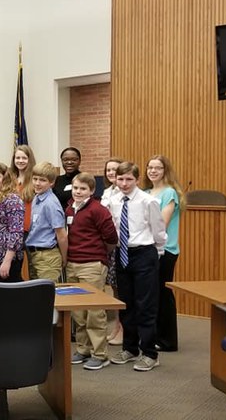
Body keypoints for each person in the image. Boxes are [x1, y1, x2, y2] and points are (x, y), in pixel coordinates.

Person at [107, 162, 167, 372]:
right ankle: (130, 349)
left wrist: (157, 252)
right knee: (127, 303)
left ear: (137, 180)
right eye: (120, 179)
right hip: (123, 254)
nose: (124, 184)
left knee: (145, 305)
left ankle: (150, 353)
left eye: (129, 180)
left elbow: (158, 229)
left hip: (144, 253)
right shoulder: (113, 201)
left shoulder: (148, 201)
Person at [65, 172, 119, 370]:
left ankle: (100, 353)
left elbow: (111, 237)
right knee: (78, 313)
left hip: (92, 265)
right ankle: (83, 349)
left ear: (92, 191)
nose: (78, 192)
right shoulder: (70, 208)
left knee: (94, 311)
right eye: (76, 188)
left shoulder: (98, 209)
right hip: (72, 264)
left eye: (83, 189)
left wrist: (99, 254)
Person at [142, 155, 185, 352]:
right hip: (147, 248)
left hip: (165, 250)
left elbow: (162, 223)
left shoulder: (169, 193)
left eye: (157, 168)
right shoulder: (146, 192)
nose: (153, 171)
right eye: (150, 167)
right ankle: (156, 336)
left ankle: (169, 340)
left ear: (165, 171)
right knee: (153, 295)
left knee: (163, 294)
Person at [24, 162, 67, 282]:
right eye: (35, 179)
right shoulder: (37, 198)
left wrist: (64, 258)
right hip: (34, 254)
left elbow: (61, 234)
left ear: (51, 183)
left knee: (49, 294)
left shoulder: (51, 203)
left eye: (42, 180)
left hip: (48, 256)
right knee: (36, 294)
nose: (37, 183)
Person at [100, 157, 124, 345]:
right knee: (114, 289)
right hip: (109, 245)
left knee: (122, 290)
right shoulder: (107, 191)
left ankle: (123, 328)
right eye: (108, 170)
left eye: (115, 170)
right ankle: (116, 327)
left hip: (123, 246)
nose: (111, 173)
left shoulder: (124, 193)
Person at [10, 144, 36, 237]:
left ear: (29, 160)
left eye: (24, 158)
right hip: (12, 227)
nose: (20, 161)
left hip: (29, 229)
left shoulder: (35, 180)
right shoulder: (10, 180)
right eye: (17, 158)